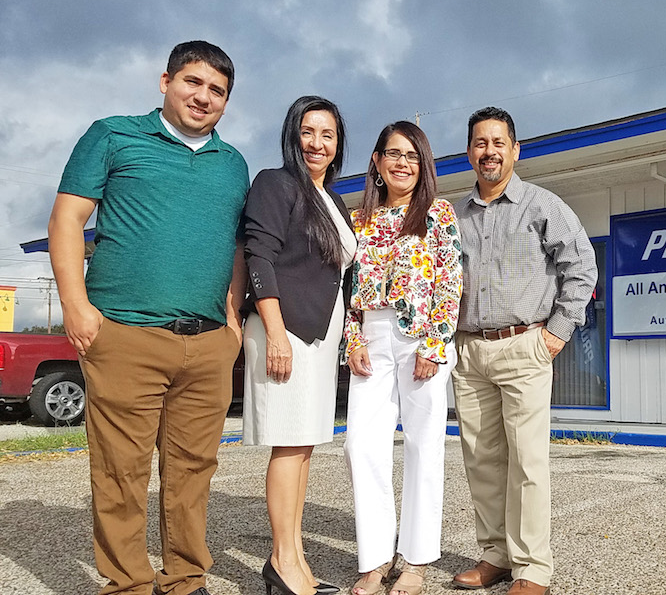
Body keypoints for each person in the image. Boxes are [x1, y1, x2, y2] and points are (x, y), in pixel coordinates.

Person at [48, 41, 248, 595]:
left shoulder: (233, 164)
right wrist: (76, 307)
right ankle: (128, 584)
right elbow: (68, 217)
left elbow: (236, 245)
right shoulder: (113, 135)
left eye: (217, 91)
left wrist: (231, 320)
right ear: (165, 81)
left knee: (192, 473)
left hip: (207, 344)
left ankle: (186, 579)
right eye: (193, 82)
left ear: (226, 102)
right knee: (120, 473)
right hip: (125, 335)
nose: (203, 97)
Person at [450, 107, 597, 595]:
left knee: (528, 462)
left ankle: (533, 568)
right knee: (481, 460)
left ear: (515, 150)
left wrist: (556, 333)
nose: (488, 151)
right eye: (479, 143)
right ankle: (495, 554)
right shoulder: (453, 216)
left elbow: (582, 268)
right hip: (470, 353)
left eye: (498, 142)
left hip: (524, 347)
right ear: (469, 151)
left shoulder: (542, 206)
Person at [242, 96, 356, 595]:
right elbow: (258, 255)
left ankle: (293, 561)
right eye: (308, 132)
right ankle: (284, 563)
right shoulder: (276, 183)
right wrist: (274, 333)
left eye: (327, 135)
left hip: (320, 335)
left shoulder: (330, 197)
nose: (317, 143)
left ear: (338, 145)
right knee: (289, 445)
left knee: (303, 446)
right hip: (285, 330)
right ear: (293, 135)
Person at [342, 121, 462, 595]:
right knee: (361, 445)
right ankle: (374, 559)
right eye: (393, 154)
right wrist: (352, 339)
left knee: (422, 445)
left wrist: (435, 344)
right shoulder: (359, 221)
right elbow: (347, 289)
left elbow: (450, 281)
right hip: (371, 336)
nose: (402, 163)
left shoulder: (438, 213)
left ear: (423, 164)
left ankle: (415, 561)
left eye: (412, 156)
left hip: (420, 340)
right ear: (376, 161)